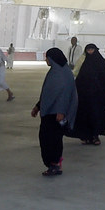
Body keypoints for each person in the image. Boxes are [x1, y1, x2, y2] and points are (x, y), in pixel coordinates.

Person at [31, 48, 77, 176]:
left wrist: (61, 111)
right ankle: (54, 163)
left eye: (48, 58)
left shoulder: (64, 73)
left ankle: (55, 164)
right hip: (49, 112)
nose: (46, 60)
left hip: (57, 113)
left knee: (53, 139)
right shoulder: (54, 72)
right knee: (46, 138)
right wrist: (38, 106)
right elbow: (48, 93)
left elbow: (65, 94)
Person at [70, 44, 105, 145]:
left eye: (92, 49)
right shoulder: (85, 64)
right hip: (85, 96)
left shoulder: (101, 63)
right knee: (84, 116)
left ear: (96, 50)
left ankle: (95, 136)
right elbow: (80, 79)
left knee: (96, 115)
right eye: (88, 49)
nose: (90, 52)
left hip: (98, 96)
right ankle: (86, 136)